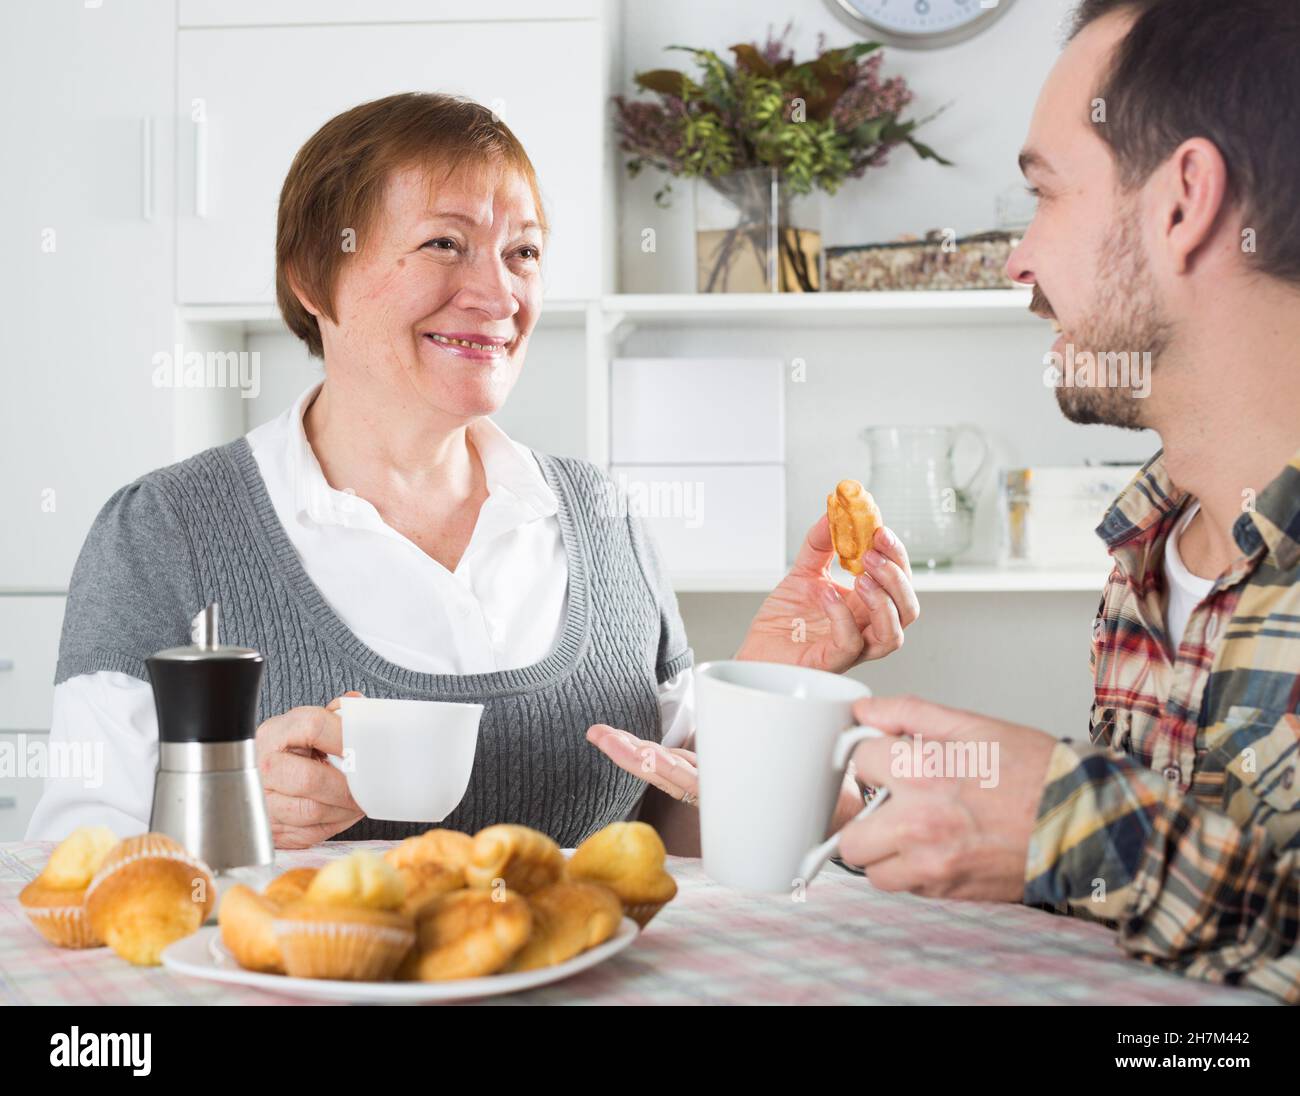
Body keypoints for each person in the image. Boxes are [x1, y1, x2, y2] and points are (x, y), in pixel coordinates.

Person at [28, 92, 919, 853]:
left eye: (523, 252)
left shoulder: (602, 517)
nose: (498, 296)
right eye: (445, 245)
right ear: (311, 275)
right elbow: (69, 865)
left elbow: (678, 825)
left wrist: (774, 678)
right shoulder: (166, 532)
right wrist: (230, 811)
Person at [825, 0, 1300, 1004]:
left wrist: (1072, 828)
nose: (1017, 259)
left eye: (1044, 195)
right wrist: (933, 808)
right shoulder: (1151, 547)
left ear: (1182, 203)